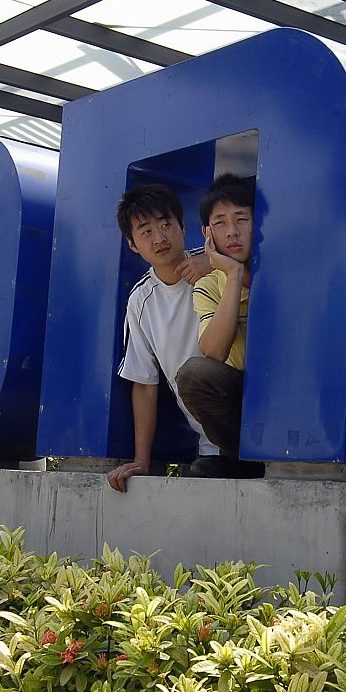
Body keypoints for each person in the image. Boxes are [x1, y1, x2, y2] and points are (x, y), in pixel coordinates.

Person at [106, 185, 215, 493]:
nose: (159, 238)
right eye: (146, 231)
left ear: (183, 226)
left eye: (166, 225)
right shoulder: (140, 301)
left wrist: (220, 265)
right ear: (132, 244)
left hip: (251, 430)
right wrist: (142, 460)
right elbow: (144, 384)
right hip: (209, 447)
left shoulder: (216, 267)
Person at [176, 173, 263, 480]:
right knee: (194, 375)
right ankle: (245, 460)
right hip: (244, 395)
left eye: (242, 219)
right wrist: (233, 274)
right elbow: (213, 351)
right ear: (207, 233)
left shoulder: (284, 269)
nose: (232, 232)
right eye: (221, 223)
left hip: (289, 386)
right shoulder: (209, 285)